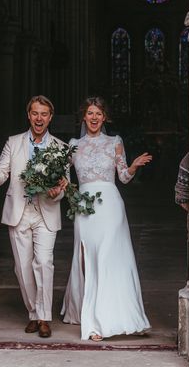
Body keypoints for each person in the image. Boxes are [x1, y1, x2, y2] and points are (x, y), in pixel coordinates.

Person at [61, 97, 152, 341]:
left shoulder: (115, 142)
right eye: (90, 113)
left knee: (109, 256)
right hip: (84, 207)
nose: (93, 117)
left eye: (98, 113)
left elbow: (123, 177)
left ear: (104, 118)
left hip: (110, 205)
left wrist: (132, 167)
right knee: (88, 257)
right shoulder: (73, 145)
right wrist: (69, 192)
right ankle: (90, 314)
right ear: (84, 117)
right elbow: (65, 178)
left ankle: (107, 318)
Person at [0, 95, 68, 338]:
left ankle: (44, 317)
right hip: (19, 212)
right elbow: (0, 177)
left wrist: (56, 191)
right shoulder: (14, 142)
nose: (39, 118)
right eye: (35, 113)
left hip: (46, 213)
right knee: (22, 267)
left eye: (44, 114)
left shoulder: (60, 148)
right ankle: (33, 313)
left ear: (50, 118)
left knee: (44, 264)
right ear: (29, 115)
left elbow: (64, 186)